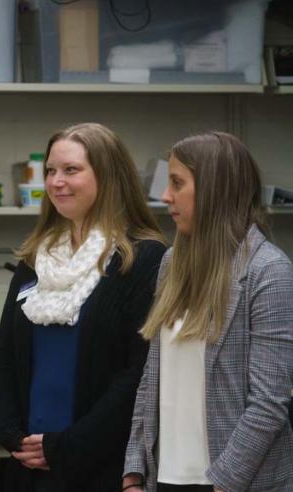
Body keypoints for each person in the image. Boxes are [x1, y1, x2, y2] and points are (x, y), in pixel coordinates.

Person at [0, 123, 167, 491]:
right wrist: (9, 433)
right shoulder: (35, 257)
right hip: (29, 464)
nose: (56, 182)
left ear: (108, 175)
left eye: (71, 170)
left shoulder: (142, 258)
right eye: (51, 171)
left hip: (100, 465)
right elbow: (6, 351)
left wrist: (67, 446)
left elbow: (137, 374)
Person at [124, 132, 293, 492]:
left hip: (232, 482)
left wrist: (222, 484)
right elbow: (152, 375)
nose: (166, 196)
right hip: (165, 477)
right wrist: (134, 470)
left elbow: (269, 403)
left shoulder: (268, 272)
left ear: (215, 188)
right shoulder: (172, 262)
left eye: (177, 183)